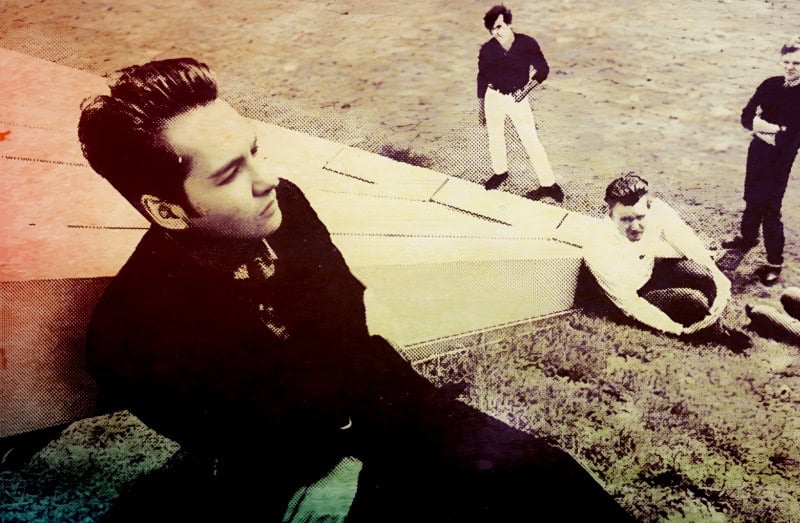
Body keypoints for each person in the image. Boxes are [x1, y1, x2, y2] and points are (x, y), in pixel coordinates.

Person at [78, 58, 634, 522]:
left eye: (254, 150)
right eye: (229, 174)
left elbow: (344, 311)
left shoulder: (282, 206)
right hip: (292, 468)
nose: (266, 177)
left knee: (546, 480)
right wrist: (334, 466)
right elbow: (248, 438)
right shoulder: (135, 333)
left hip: (382, 400)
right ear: (165, 210)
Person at [583, 174, 751, 351]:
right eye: (625, 219)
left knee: (703, 274)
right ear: (610, 214)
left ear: (649, 206)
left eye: (640, 217)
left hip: (647, 272)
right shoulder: (597, 242)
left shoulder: (658, 210)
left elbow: (691, 246)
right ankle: (715, 331)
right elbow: (629, 302)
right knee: (693, 301)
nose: (634, 227)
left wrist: (721, 284)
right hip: (628, 296)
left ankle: (710, 319)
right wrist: (677, 330)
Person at [722, 36, 800, 285]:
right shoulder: (769, 85)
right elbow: (745, 117)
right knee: (751, 198)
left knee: (771, 209)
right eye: (786, 61)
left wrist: (762, 127)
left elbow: (787, 139)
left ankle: (775, 262)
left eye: (796, 62)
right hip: (758, 153)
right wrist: (774, 128)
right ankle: (748, 238)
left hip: (780, 161)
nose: (790, 67)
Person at [477, 4, 564, 203]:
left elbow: (543, 70)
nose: (495, 32)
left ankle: (549, 185)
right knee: (494, 136)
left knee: (530, 140)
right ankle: (500, 172)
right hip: (493, 97)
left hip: (517, 99)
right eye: (492, 29)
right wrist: (481, 106)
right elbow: (481, 77)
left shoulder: (526, 44)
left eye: (499, 27)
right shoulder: (488, 49)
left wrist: (524, 91)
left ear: (508, 24)